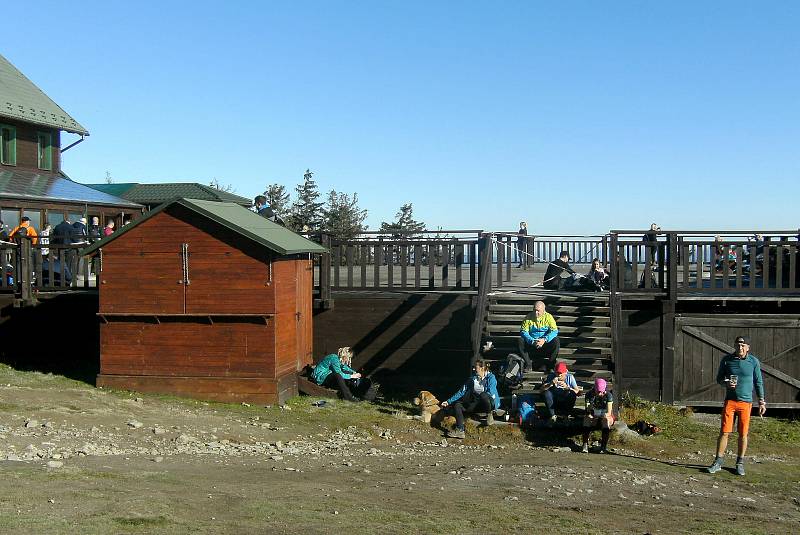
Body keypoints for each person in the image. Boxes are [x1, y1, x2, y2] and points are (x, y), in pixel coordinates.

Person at [706, 336, 766, 476]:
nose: (740, 348)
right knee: (724, 432)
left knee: (743, 434)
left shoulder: (753, 361)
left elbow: (758, 382)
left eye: (743, 345)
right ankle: (718, 462)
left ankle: (739, 463)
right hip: (730, 401)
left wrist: (762, 401)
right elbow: (719, 379)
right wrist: (726, 382)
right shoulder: (727, 360)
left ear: (748, 347)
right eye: (738, 345)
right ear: (734, 346)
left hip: (746, 403)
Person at [440, 358, 500, 439]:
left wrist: (490, 405)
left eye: (476, 367)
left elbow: (491, 392)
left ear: (482, 368)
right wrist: (448, 401)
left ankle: (489, 414)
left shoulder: (491, 378)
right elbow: (461, 391)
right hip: (477, 404)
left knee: (483, 395)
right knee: (458, 405)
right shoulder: (473, 379)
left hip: (489, 404)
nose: (474, 369)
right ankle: (460, 430)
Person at [311, 347, 377, 402]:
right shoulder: (334, 358)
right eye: (349, 357)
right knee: (338, 375)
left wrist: (354, 372)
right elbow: (339, 373)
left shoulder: (339, 359)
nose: (349, 359)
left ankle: (355, 392)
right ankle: (348, 397)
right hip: (320, 376)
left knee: (346, 374)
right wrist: (352, 376)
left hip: (327, 375)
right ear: (345, 355)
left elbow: (345, 368)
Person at [518, 300, 560, 372]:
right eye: (534, 310)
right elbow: (523, 331)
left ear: (544, 311)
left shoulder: (549, 317)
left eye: (538, 311)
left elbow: (554, 331)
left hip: (545, 343)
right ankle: (528, 364)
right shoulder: (528, 317)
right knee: (520, 340)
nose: (535, 313)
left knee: (556, 340)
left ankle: (551, 365)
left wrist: (544, 339)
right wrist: (532, 341)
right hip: (532, 343)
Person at [541, 361, 581, 426]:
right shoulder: (551, 376)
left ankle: (566, 416)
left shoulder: (570, 377)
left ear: (565, 372)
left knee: (572, 394)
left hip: (565, 401)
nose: (559, 375)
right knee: (546, 393)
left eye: (561, 373)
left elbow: (577, 391)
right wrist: (550, 383)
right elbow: (541, 390)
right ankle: (553, 416)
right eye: (557, 373)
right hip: (553, 401)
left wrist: (568, 388)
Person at [581, 377, 614, 453]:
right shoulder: (589, 394)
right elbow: (587, 410)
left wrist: (603, 415)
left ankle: (603, 446)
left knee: (606, 421)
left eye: (601, 392)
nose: (600, 394)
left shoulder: (608, 395)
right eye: (598, 391)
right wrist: (590, 410)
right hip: (593, 415)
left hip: (604, 414)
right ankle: (585, 444)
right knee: (587, 419)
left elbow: (609, 412)